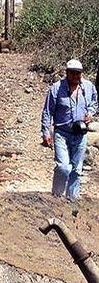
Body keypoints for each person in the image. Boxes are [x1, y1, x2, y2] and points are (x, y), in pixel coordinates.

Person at [41, 58, 98, 201]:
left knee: (77, 170)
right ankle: (57, 197)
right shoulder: (56, 88)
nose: (75, 76)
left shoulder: (88, 87)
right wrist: (46, 132)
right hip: (62, 132)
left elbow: (94, 103)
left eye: (78, 73)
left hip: (80, 134)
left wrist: (90, 113)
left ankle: (72, 201)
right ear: (66, 73)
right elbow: (47, 111)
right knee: (64, 167)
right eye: (72, 73)